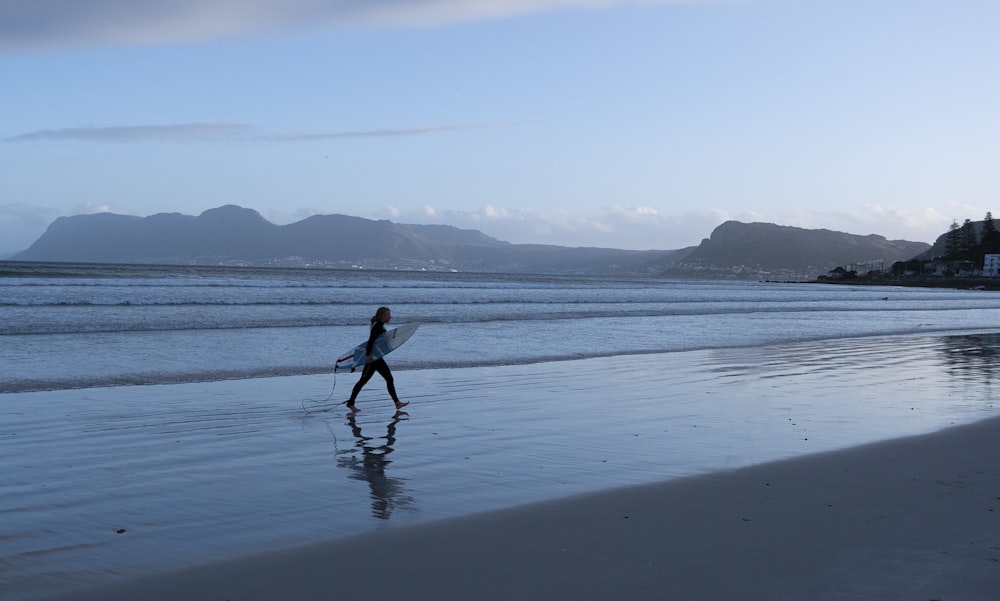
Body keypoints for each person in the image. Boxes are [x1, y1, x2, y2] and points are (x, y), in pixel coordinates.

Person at [345, 307, 408, 413]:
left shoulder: (379, 326)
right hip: (373, 359)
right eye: (388, 314)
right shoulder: (378, 328)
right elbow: (370, 342)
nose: (390, 316)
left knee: (387, 379)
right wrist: (368, 356)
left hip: (377, 358)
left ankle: (397, 402)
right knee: (364, 381)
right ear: (383, 316)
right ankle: (351, 403)